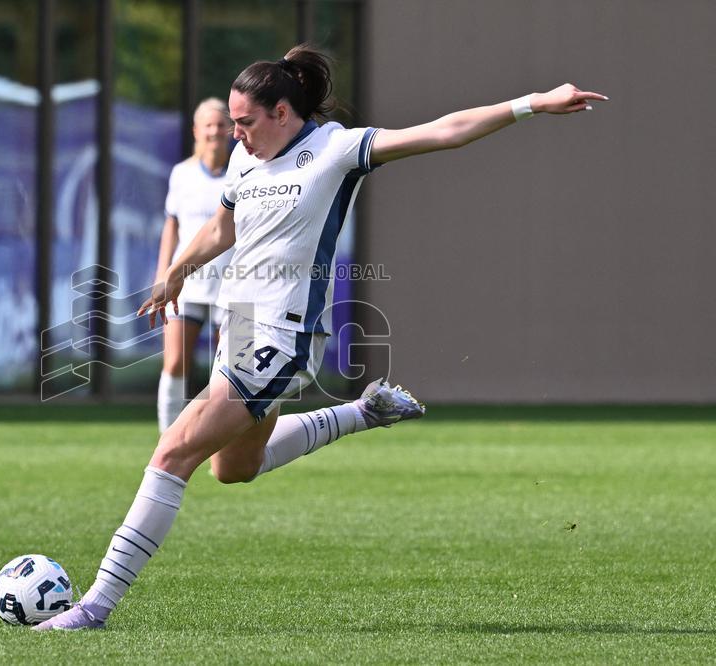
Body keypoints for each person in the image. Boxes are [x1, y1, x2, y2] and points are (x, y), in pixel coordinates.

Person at [35, 45, 607, 631]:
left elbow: (444, 131)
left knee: (172, 453)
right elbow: (221, 225)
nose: (235, 134)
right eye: (230, 122)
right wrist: (177, 271)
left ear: (283, 112)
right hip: (238, 326)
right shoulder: (245, 159)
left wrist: (534, 103)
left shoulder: (334, 149)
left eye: (245, 121)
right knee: (232, 469)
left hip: (282, 337)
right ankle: (365, 412)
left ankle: (93, 609)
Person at [155, 98, 233, 433]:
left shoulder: (246, 174)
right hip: (186, 285)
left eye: (221, 124)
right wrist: (163, 274)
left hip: (235, 284)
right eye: (208, 125)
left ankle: (224, 435)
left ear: (231, 130)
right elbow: (171, 226)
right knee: (174, 363)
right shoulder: (182, 174)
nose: (215, 131)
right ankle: (167, 437)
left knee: (233, 370)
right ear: (196, 131)